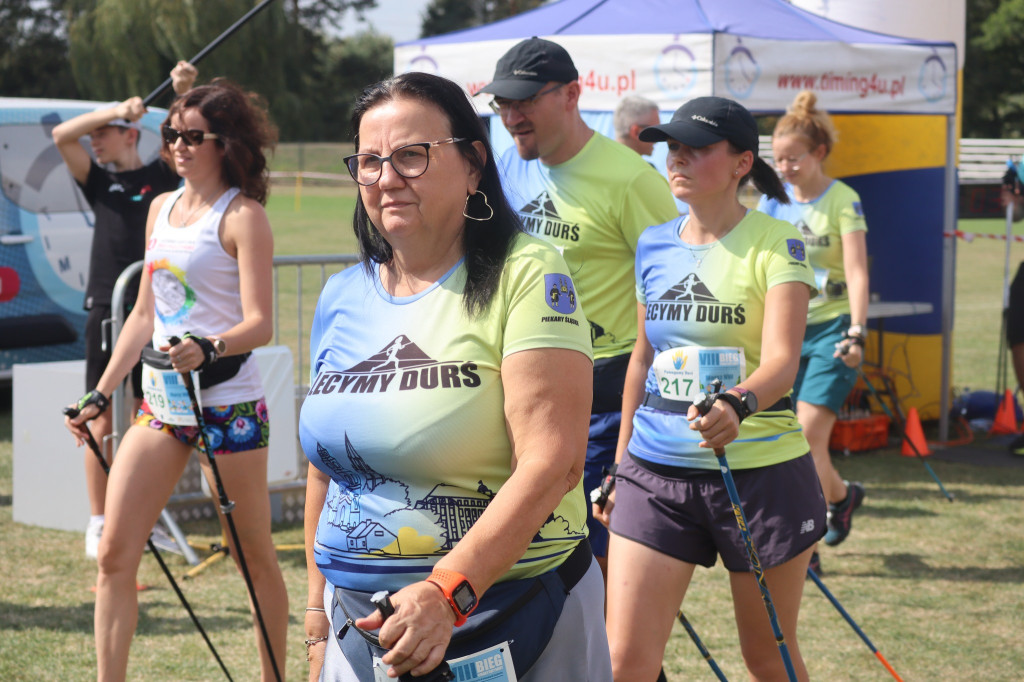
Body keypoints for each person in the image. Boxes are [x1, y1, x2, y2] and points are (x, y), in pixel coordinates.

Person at [301, 72, 611, 682]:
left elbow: (553, 461)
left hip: (512, 615)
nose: (387, 177)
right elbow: (325, 470)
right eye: (369, 162)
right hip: (360, 625)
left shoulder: (527, 273)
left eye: (412, 156)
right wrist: (317, 613)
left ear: (473, 166)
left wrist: (447, 593)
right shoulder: (341, 294)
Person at [63, 79, 287, 682]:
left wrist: (211, 345)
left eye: (194, 136)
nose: (179, 146)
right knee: (114, 553)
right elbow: (144, 313)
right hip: (161, 404)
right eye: (172, 135)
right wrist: (101, 392)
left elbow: (260, 323)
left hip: (228, 407)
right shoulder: (162, 207)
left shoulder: (243, 216)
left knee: (251, 557)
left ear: (225, 143)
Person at [594, 96, 823, 682]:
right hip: (655, 473)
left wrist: (738, 402)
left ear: (742, 162)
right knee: (624, 660)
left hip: (760, 472)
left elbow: (781, 361)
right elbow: (642, 360)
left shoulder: (778, 242)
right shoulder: (653, 243)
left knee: (767, 656)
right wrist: (620, 467)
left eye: (698, 148)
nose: (679, 158)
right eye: (674, 147)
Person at [479, 37, 678, 575]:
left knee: (590, 556)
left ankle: (621, 660)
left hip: (603, 397)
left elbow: (676, 295)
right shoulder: (506, 170)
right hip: (517, 387)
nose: (512, 116)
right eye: (502, 104)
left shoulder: (633, 179)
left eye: (524, 101)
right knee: (531, 551)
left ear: (571, 94)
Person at [52, 60, 197, 558]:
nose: (95, 139)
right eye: (95, 132)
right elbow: (60, 136)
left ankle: (142, 517)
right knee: (102, 412)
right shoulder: (99, 181)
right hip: (108, 308)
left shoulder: (162, 172)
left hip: (157, 312)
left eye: (106, 132)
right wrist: (112, 110)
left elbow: (185, 133)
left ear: (132, 135)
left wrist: (184, 91)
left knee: (150, 415)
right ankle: (99, 520)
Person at [758, 91, 869, 566]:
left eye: (793, 159)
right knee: (787, 438)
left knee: (804, 438)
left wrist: (858, 333)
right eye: (777, 159)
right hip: (787, 333)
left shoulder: (844, 200)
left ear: (818, 153)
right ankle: (842, 499)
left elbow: (858, 270)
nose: (783, 167)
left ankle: (808, 541)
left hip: (832, 332)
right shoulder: (770, 202)